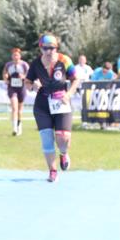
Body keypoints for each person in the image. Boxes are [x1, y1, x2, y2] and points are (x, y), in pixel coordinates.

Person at [25, 34, 78, 183]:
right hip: (42, 104)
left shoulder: (65, 60)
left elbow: (76, 79)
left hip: (61, 102)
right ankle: (52, 171)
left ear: (56, 48)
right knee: (47, 140)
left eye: (52, 48)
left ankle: (63, 153)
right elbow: (27, 82)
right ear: (41, 48)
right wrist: (32, 86)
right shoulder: (35, 64)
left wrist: (69, 94)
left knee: (63, 137)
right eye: (46, 48)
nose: (49, 51)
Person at [2, 48, 29, 136]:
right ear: (12, 56)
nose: (15, 57)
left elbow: (29, 76)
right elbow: (5, 74)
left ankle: (19, 127)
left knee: (20, 110)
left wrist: (23, 77)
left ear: (20, 56)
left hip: (21, 88)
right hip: (12, 88)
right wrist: (6, 78)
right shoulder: (8, 65)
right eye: (14, 55)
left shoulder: (24, 65)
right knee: (14, 108)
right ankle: (14, 129)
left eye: (17, 55)